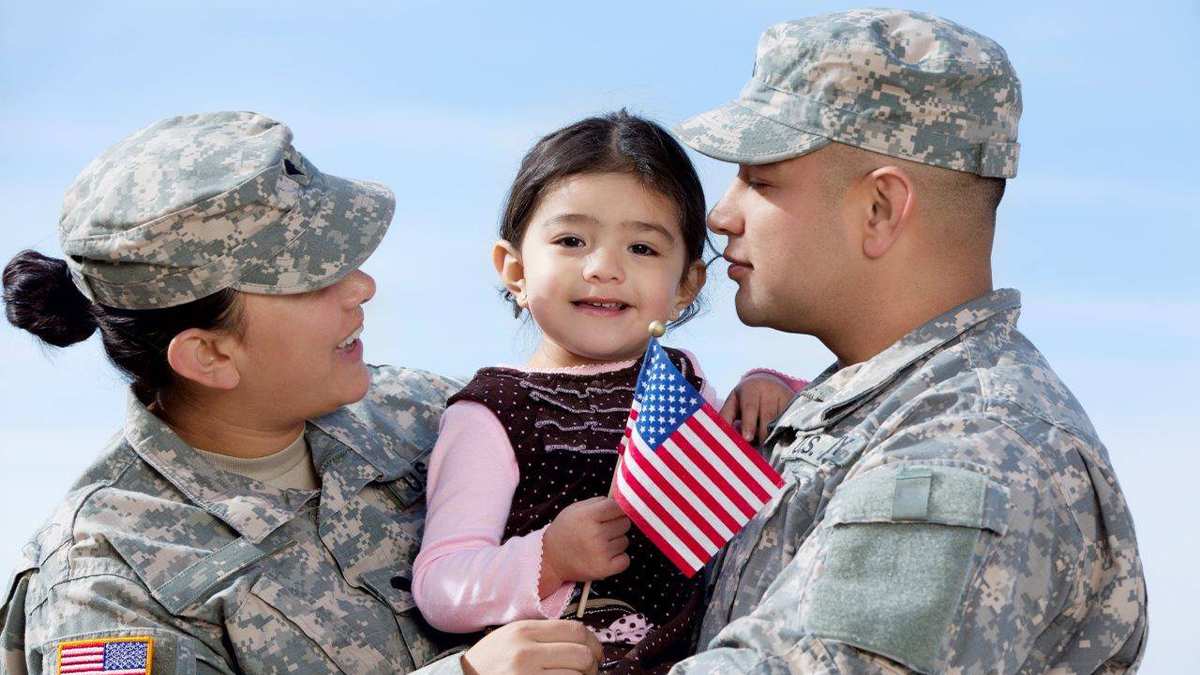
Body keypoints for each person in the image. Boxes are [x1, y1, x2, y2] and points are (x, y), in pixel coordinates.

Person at [0, 111, 603, 675]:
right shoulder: (105, 577)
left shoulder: (429, 413)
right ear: (208, 354)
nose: (362, 286)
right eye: (314, 279)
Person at [664, 9, 1149, 673]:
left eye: (760, 178)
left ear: (879, 210)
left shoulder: (978, 438)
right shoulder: (862, 408)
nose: (722, 213)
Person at [411, 111, 806, 673]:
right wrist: (550, 557)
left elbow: (734, 478)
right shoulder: (493, 412)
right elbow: (441, 584)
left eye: (642, 249)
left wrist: (771, 385)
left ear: (686, 287)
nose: (603, 268)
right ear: (515, 269)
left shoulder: (679, 382)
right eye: (572, 240)